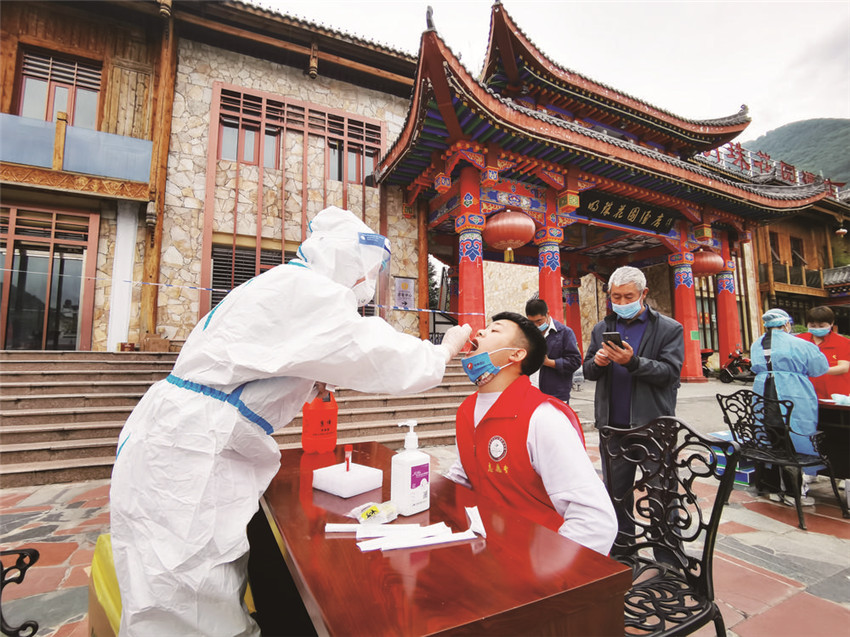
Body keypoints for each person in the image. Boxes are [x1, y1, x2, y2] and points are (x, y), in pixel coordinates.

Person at [110, 206, 472, 636]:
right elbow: (378, 353)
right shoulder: (312, 291)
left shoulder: (284, 283)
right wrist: (443, 349)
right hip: (191, 448)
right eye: (366, 268)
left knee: (179, 582)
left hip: (179, 434)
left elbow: (272, 357)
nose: (366, 280)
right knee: (186, 595)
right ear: (346, 258)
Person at [445, 311, 617, 556]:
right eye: (485, 328)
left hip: (536, 555)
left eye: (495, 330)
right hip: (488, 547)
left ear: (516, 354)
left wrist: (544, 571)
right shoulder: (467, 409)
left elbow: (595, 521)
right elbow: (466, 470)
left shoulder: (543, 417)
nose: (480, 332)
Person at [582, 266, 684, 544]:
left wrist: (633, 362)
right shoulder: (602, 328)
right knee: (616, 494)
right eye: (616, 297)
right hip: (613, 428)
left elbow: (670, 373)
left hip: (653, 426)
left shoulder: (669, 329)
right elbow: (588, 370)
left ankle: (667, 554)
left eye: (629, 297)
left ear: (643, 293)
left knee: (661, 494)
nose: (622, 302)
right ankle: (623, 549)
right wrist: (597, 363)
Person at [751, 308, 828, 504]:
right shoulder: (799, 343)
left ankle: (773, 488)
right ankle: (794, 493)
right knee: (794, 441)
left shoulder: (756, 344)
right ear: (786, 324)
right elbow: (819, 368)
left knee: (770, 440)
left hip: (762, 395)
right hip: (792, 393)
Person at [525, 298, 582, 404]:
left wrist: (549, 362)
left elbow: (575, 361)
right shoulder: (527, 335)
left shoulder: (565, 333)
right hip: (531, 393)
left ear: (547, 314)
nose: (536, 325)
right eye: (532, 322)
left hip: (556, 395)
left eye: (539, 321)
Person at [796, 305, 850, 399]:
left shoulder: (843, 342)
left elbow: (844, 367)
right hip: (807, 393)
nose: (817, 329)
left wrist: (818, 370)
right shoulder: (799, 340)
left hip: (836, 394)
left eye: (821, 326)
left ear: (831, 323)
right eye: (812, 326)